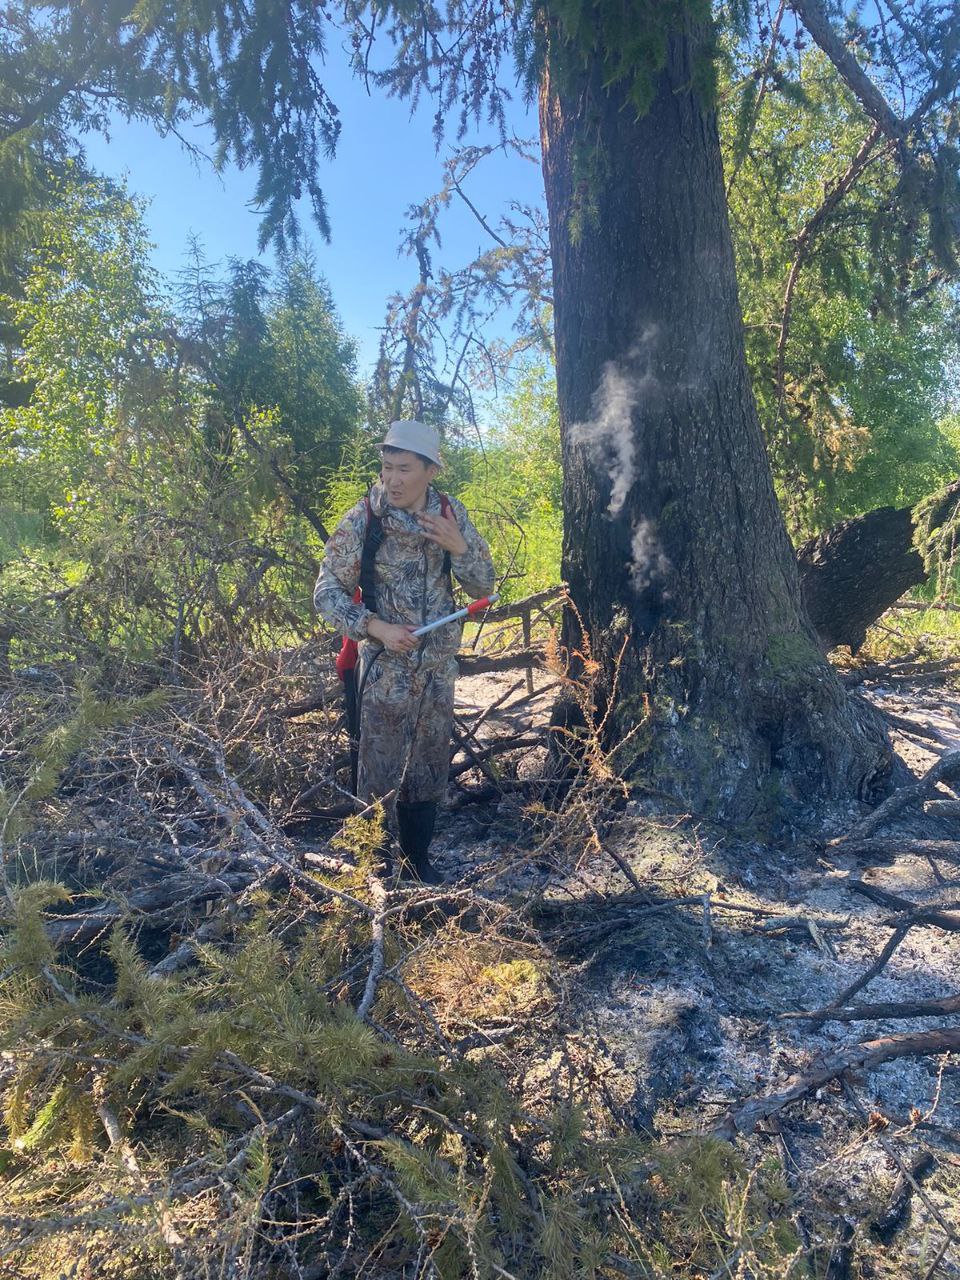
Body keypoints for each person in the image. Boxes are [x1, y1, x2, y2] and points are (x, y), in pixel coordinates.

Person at [314, 420, 496, 883]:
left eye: (404, 469)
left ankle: (419, 869)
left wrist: (460, 548)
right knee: (376, 777)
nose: (392, 480)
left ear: (430, 470)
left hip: (437, 670)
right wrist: (374, 627)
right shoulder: (366, 519)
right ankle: (369, 878)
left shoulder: (451, 515)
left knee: (428, 770)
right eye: (386, 468)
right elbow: (326, 593)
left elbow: (482, 587)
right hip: (383, 671)